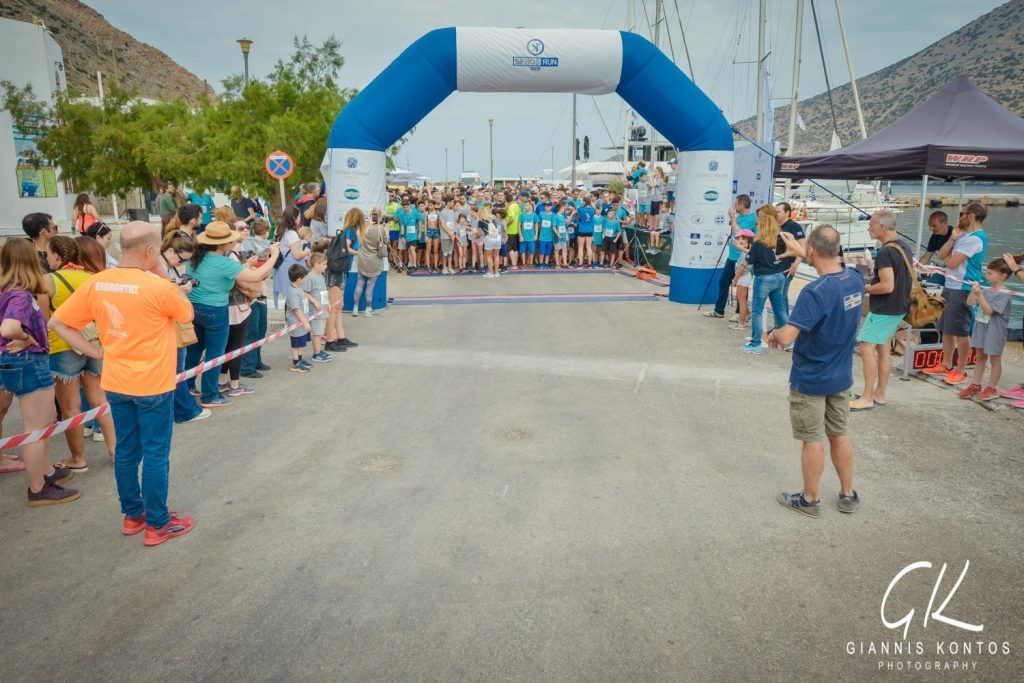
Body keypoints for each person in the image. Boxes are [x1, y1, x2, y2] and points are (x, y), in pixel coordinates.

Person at [49, 221, 198, 544]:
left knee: (128, 450)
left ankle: (133, 515)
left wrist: (93, 350)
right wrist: (160, 271)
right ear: (149, 250)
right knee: (157, 453)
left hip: (116, 381)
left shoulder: (98, 282)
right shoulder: (157, 287)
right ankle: (158, 523)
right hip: (153, 384)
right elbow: (186, 315)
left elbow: (57, 322)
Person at [767, 225, 863, 518]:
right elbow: (828, 268)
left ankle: (810, 500)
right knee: (839, 433)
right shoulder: (855, 279)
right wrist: (803, 251)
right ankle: (847, 494)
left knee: (812, 439)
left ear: (811, 251)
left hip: (811, 376)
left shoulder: (814, 292)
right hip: (841, 374)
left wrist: (774, 332)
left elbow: (787, 338)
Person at [0, 238, 80, 506]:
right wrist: (28, 338)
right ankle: (38, 488)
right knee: (35, 429)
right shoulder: (20, 294)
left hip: (23, 361)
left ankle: (46, 472)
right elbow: (8, 328)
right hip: (28, 360)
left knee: (43, 422)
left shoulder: (7, 290)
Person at [41, 236, 116, 472]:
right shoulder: (94, 279)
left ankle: (78, 458)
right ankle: (115, 450)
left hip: (63, 348)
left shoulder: (47, 281)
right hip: (94, 343)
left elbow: (44, 321)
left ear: (56, 256)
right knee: (101, 401)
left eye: (48, 254)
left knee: (70, 407)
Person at [185, 221, 279, 408]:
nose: (233, 242)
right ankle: (210, 395)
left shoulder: (195, 258)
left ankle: (187, 386)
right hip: (216, 309)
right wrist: (274, 256)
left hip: (194, 308)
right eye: (229, 240)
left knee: (196, 349)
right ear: (221, 244)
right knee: (216, 353)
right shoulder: (223, 262)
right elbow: (255, 276)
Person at [848, 210, 912, 411]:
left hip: (885, 308)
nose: (869, 227)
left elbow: (887, 286)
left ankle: (867, 397)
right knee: (883, 349)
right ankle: (879, 394)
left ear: (882, 227)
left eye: (872, 224)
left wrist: (865, 288)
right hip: (899, 306)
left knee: (866, 348)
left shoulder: (885, 252)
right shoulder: (904, 246)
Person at [923, 202, 989, 385]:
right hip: (951, 285)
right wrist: (952, 239)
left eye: (962, 213)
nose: (959, 217)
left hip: (964, 288)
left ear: (972, 216)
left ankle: (960, 369)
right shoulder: (962, 236)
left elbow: (951, 264)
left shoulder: (976, 238)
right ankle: (946, 364)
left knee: (961, 330)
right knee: (945, 326)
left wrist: (950, 259)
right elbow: (943, 256)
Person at [159, 231, 209, 424]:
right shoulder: (158, 269)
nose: (181, 265)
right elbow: (165, 296)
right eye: (181, 260)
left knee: (177, 368)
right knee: (177, 370)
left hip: (171, 323)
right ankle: (184, 411)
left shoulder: (164, 266)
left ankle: (181, 408)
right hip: (168, 325)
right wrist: (182, 291)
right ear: (171, 250)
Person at [959, 259, 1014, 401]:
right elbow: (970, 303)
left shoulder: (1005, 293)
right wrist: (974, 292)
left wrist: (980, 295)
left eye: (990, 273)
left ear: (1002, 275)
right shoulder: (986, 290)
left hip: (995, 331)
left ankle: (991, 387)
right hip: (982, 327)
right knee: (980, 356)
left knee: (995, 359)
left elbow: (989, 311)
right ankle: (975, 384)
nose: (987, 276)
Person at [740, 205, 791, 354]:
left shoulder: (758, 243)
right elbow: (782, 257)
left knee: (757, 311)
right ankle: (789, 341)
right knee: (780, 311)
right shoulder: (779, 239)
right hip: (779, 277)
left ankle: (756, 343)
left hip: (764, 278)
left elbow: (750, 260)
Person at [217, 222, 257, 399]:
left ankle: (222, 381)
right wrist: (248, 266)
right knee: (236, 346)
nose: (245, 231)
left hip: (227, 305)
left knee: (228, 345)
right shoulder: (231, 256)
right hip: (236, 306)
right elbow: (241, 279)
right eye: (240, 230)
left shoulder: (217, 256)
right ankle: (234, 384)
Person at [706, 194, 755, 319]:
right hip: (732, 255)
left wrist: (732, 217)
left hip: (742, 256)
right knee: (724, 281)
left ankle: (740, 313)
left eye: (736, 203)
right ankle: (719, 310)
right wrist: (734, 219)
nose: (734, 206)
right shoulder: (739, 217)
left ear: (742, 205)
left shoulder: (752, 218)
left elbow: (740, 234)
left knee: (741, 286)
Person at [240, 219, 274, 378]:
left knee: (261, 328)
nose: (246, 231)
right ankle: (248, 366)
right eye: (242, 229)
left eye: (247, 228)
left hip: (262, 290)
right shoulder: (245, 245)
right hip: (250, 293)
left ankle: (256, 360)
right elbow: (250, 267)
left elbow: (265, 271)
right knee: (251, 330)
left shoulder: (263, 244)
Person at [323, 209, 359, 353]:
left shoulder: (345, 231)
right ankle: (330, 340)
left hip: (338, 271)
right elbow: (347, 248)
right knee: (334, 307)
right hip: (338, 272)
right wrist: (360, 253)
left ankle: (340, 337)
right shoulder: (351, 231)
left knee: (338, 306)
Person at [272, 206, 311, 307]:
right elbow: (297, 255)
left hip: (282, 266)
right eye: (298, 216)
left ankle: (289, 321)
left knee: (289, 296)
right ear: (294, 218)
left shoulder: (279, 230)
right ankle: (292, 321)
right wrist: (306, 251)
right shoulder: (292, 234)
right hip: (292, 268)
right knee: (294, 298)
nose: (300, 219)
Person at [353, 211, 387, 317]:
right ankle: (368, 309)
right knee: (370, 286)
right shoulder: (380, 229)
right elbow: (385, 241)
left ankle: (355, 309)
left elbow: (358, 239)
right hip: (374, 260)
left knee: (359, 284)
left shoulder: (363, 228)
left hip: (362, 259)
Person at [775, 201, 807, 304]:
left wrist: (795, 265)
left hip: (787, 268)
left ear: (787, 212)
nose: (776, 214)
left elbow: (803, 247)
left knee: (780, 299)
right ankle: (785, 319)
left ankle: (783, 320)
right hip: (775, 268)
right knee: (780, 299)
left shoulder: (794, 226)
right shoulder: (775, 226)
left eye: (778, 212)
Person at [285, 264, 314, 373]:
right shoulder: (292, 291)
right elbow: (296, 309)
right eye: (305, 277)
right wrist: (305, 322)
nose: (306, 279)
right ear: (299, 279)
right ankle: (295, 363)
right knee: (296, 343)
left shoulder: (299, 287)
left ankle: (300, 360)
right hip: (296, 322)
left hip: (302, 321)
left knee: (300, 342)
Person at [302, 253, 330, 359]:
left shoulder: (321, 276)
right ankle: (316, 353)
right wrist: (314, 301)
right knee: (317, 333)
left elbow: (324, 291)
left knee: (321, 332)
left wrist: (328, 303)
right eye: (324, 264)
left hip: (323, 309)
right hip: (315, 311)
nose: (326, 266)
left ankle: (319, 351)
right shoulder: (309, 278)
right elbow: (305, 292)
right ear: (316, 265)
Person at [729, 230, 755, 331]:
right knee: (740, 299)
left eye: (740, 238)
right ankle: (747, 315)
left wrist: (735, 280)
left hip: (743, 276)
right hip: (743, 276)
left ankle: (742, 323)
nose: (738, 240)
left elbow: (741, 268)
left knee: (742, 300)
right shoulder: (747, 250)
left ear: (746, 239)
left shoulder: (746, 252)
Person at [478, 206, 502, 278]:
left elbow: (479, 234)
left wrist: (475, 235)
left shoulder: (480, 221)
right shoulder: (493, 219)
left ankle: (490, 273)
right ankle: (496, 272)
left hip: (489, 238)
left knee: (488, 256)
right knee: (496, 255)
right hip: (497, 237)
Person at [504, 190, 521, 270]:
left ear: (506, 200)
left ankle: (514, 264)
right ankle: (515, 264)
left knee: (509, 247)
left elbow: (512, 218)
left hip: (511, 229)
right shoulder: (516, 205)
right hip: (516, 230)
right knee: (515, 248)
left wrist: (507, 224)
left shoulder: (511, 207)